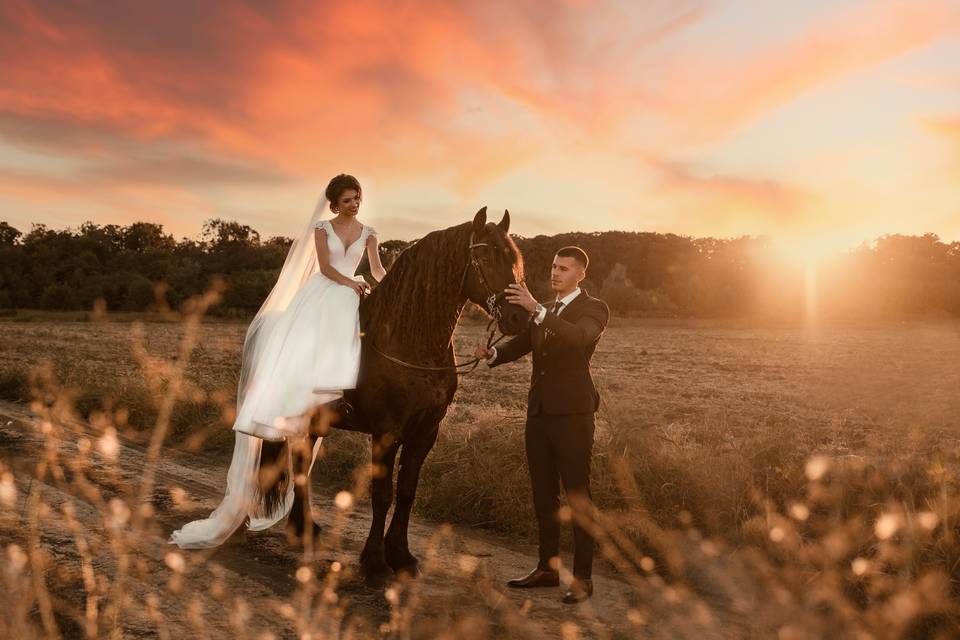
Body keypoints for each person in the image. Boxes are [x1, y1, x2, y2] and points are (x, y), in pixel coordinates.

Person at [170, 174, 386, 548]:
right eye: (348, 199)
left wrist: (390, 287)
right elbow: (325, 269)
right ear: (334, 203)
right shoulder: (322, 228)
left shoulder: (369, 232)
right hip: (328, 293)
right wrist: (352, 283)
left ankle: (349, 391)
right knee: (308, 344)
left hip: (352, 295)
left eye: (358, 198)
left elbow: (378, 269)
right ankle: (308, 394)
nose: (355, 204)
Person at [475, 246, 609, 604]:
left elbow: (578, 338)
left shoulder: (594, 309)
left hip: (574, 416)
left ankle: (583, 578)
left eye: (564, 269)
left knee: (578, 496)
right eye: (553, 267)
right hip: (539, 414)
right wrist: (494, 355)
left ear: (580, 274)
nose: (555, 273)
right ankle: (547, 569)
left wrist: (535, 309)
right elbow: (521, 345)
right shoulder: (546, 311)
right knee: (543, 495)